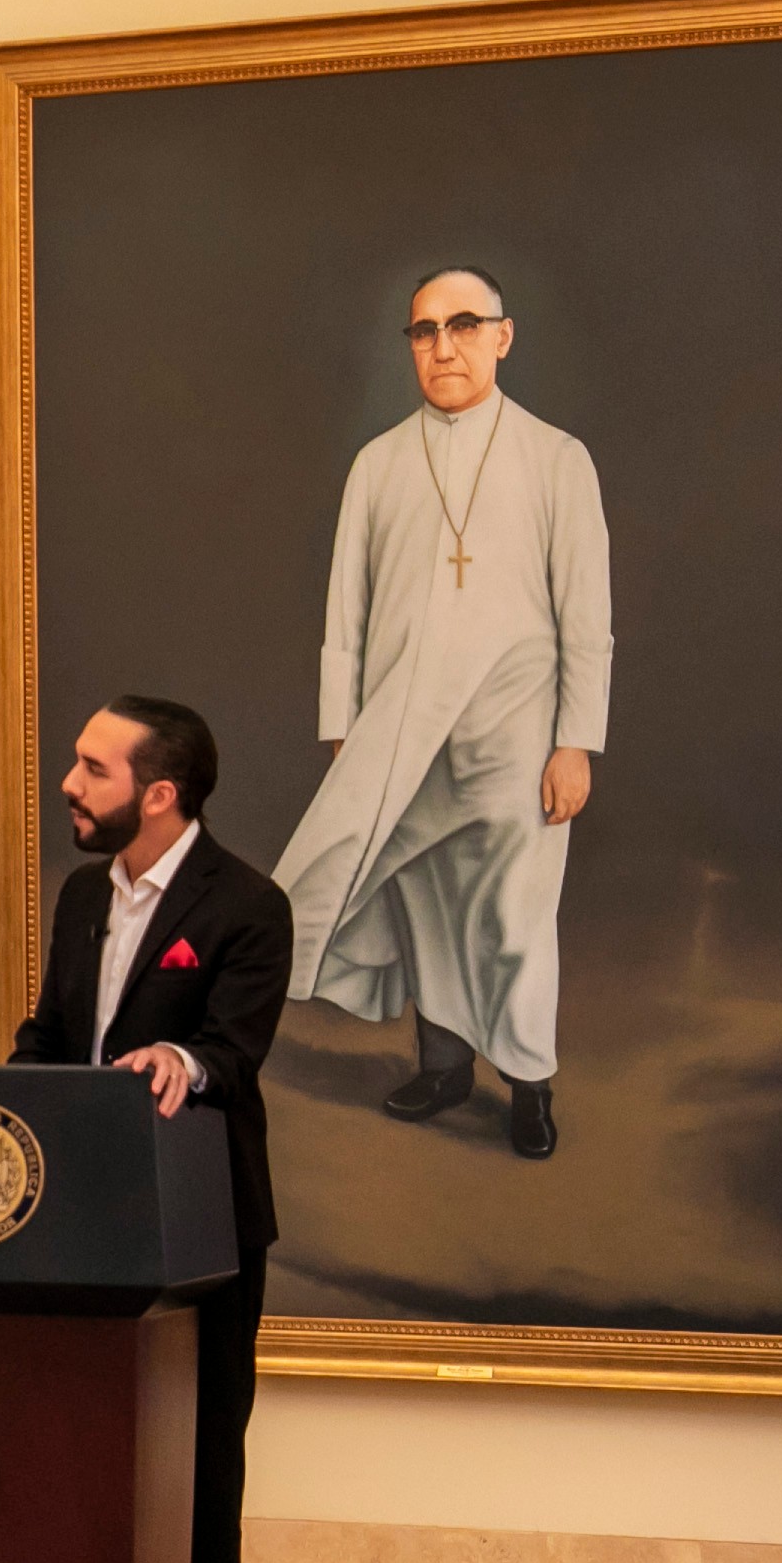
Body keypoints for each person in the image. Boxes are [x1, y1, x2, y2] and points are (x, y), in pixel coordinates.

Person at [9, 696, 289, 1563]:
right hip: (72, 1228)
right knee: (71, 1471)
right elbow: (51, 1040)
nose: (70, 784)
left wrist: (181, 1059)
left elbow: (231, 1051)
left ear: (158, 793)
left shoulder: (249, 905)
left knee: (195, 1479)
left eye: (93, 768)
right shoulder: (85, 896)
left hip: (198, 1235)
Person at [276, 264, 611, 1160]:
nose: (444, 347)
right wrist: (343, 729)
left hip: (517, 731)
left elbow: (586, 617)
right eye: (425, 331)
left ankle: (530, 1085)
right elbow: (345, 609)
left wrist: (576, 742)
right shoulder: (379, 463)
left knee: (514, 918)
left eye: (463, 326)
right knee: (424, 905)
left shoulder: (557, 458)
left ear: (502, 336)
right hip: (403, 728)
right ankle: (444, 1067)